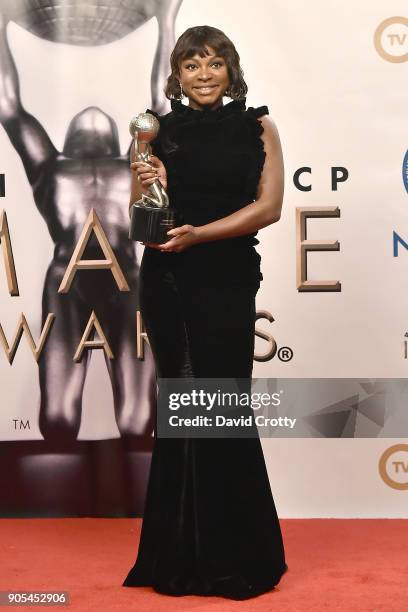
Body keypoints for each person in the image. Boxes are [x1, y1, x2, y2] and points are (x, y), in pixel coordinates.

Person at [122, 25, 288, 599]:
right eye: (192, 65)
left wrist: (203, 236)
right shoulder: (155, 132)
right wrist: (152, 187)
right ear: (177, 75)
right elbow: (144, 227)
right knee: (186, 401)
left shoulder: (258, 126)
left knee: (223, 402)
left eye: (214, 63)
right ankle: (180, 556)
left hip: (228, 275)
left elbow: (268, 208)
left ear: (231, 70)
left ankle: (237, 553)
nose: (204, 74)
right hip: (169, 279)